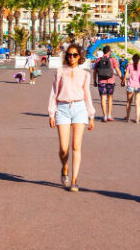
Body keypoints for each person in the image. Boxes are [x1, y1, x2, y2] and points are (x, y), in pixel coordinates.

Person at [49, 43, 96, 191]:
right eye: (69, 55)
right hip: (62, 108)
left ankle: (74, 180)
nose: (72, 57)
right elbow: (54, 92)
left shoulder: (85, 74)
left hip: (79, 108)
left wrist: (91, 115)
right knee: (64, 148)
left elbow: (87, 94)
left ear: (80, 57)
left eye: (75, 55)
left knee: (76, 146)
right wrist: (51, 112)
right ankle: (64, 167)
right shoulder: (60, 71)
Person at [92, 46, 122, 122]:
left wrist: (95, 81)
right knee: (110, 98)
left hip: (101, 81)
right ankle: (109, 115)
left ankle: (104, 115)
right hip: (111, 81)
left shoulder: (98, 60)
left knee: (103, 98)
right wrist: (122, 79)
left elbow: (95, 72)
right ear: (109, 51)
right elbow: (118, 70)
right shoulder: (112, 60)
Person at [123, 54, 140, 123]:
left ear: (132, 59)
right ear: (139, 60)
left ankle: (127, 117)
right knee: (137, 103)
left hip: (130, 85)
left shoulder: (129, 66)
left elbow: (126, 75)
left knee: (128, 102)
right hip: (138, 86)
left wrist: (124, 81)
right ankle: (137, 119)